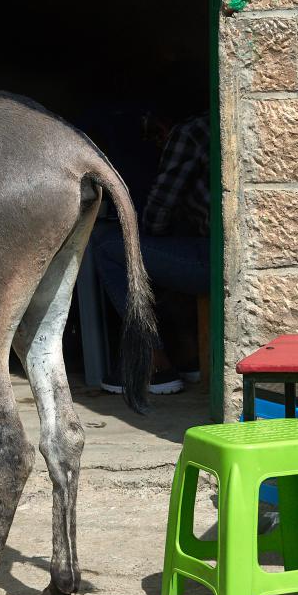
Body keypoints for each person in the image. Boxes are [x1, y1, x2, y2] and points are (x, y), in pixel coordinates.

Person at [93, 113, 211, 395]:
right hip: (220, 254)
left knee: (110, 248)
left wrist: (151, 233)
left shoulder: (190, 131)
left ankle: (153, 361)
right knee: (170, 251)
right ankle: (188, 354)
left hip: (212, 260)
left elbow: (160, 206)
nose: (155, 141)